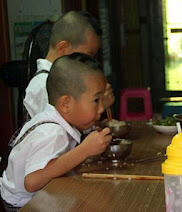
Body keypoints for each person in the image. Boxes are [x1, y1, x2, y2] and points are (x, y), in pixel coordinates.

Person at [0, 53, 112, 210]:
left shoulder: (57, 119)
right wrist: (84, 150)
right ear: (66, 104)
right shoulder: (53, 133)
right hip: (22, 205)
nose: (101, 108)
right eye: (96, 100)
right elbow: (31, 182)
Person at [23, 10, 114, 120]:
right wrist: (100, 105)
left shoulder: (62, 78)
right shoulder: (43, 85)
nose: (90, 61)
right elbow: (60, 133)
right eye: (89, 55)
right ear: (63, 48)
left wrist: (98, 102)